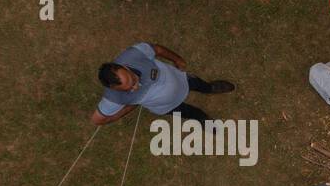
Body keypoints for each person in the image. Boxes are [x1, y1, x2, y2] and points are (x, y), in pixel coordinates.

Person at [91, 42, 233, 126]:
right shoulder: (113, 98)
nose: (136, 86)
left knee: (197, 83)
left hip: (180, 79)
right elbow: (97, 120)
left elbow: (157, 49)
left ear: (125, 67)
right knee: (190, 113)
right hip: (168, 106)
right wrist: (127, 109)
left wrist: (177, 60)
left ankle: (209, 88)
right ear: (114, 88)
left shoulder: (134, 54)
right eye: (130, 89)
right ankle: (202, 118)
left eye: (133, 80)